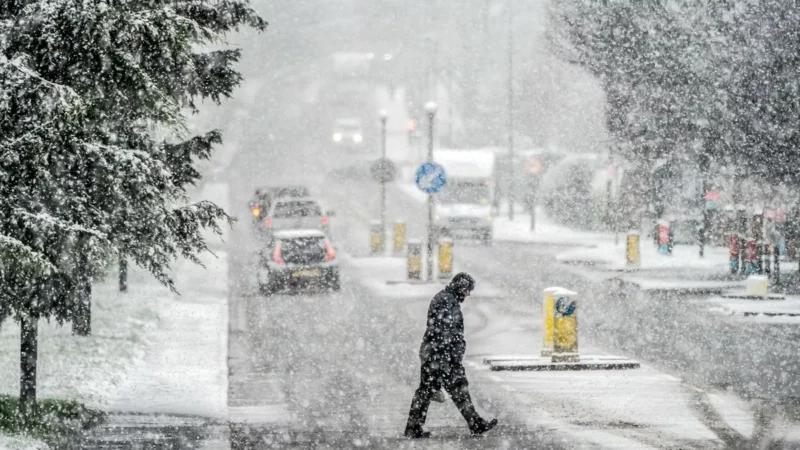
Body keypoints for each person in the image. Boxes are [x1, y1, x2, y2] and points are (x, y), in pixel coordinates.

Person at [404, 272, 498, 438]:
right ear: (461, 287)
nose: (469, 294)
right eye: (468, 290)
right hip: (441, 357)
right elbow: (445, 333)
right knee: (457, 389)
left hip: (434, 355)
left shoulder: (447, 299)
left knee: (427, 391)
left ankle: (414, 427)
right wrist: (451, 358)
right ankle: (475, 424)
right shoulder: (446, 301)